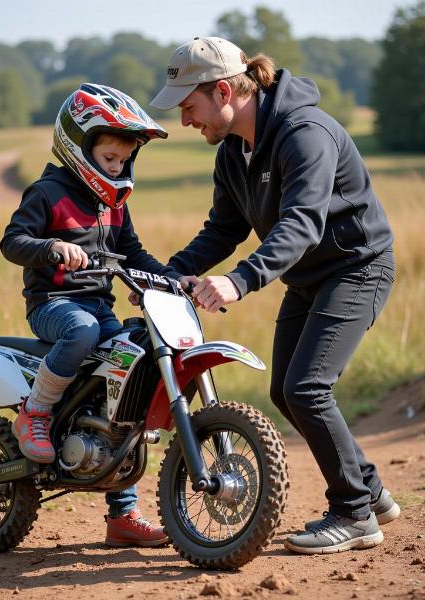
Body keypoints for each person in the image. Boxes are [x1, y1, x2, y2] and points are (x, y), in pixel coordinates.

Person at [150, 37, 400, 554]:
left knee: (307, 388)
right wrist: (169, 275)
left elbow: (302, 223)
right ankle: (371, 491)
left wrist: (238, 282)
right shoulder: (233, 153)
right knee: (287, 390)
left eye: (188, 106)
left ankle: (354, 514)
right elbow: (223, 229)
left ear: (224, 91)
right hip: (310, 278)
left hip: (357, 268)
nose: (185, 121)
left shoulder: (304, 134)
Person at [1, 83, 179, 548]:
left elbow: (133, 252)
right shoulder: (47, 192)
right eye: (109, 159)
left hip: (101, 307)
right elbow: (12, 242)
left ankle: (122, 516)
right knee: (80, 330)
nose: (117, 168)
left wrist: (170, 279)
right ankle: (36, 412)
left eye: (124, 160)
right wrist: (51, 247)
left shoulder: (114, 203)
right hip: (55, 307)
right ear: (79, 147)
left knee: (130, 381)